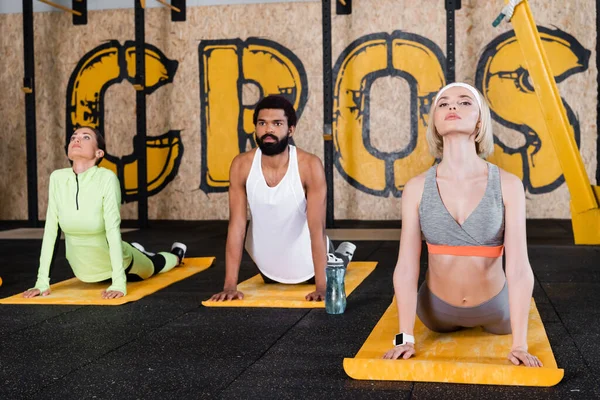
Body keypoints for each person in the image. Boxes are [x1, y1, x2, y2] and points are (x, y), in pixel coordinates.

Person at [383, 83, 542, 368]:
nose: (452, 107)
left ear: (480, 120)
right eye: (443, 104)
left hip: (498, 312)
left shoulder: (508, 185)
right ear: (434, 120)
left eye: (464, 102)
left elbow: (518, 267)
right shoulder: (417, 188)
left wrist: (520, 344)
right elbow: (406, 267)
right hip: (434, 313)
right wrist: (403, 338)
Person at [209, 95, 355, 302]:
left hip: (308, 267)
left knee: (334, 262)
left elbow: (317, 229)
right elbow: (237, 226)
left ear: (290, 129)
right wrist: (230, 285)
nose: (269, 130)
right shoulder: (241, 165)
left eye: (277, 123)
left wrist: (322, 286)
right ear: (256, 128)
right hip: (267, 269)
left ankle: (342, 254)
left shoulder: (309, 165)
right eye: (262, 123)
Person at [23, 126, 186, 300]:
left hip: (123, 265)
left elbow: (112, 230)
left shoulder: (107, 179)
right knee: (131, 251)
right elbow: (51, 232)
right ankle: (136, 249)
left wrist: (118, 282)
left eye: (86, 137)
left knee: (155, 266)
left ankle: (176, 255)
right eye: (73, 137)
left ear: (99, 153)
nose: (76, 140)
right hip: (84, 271)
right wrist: (41, 282)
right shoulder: (57, 178)